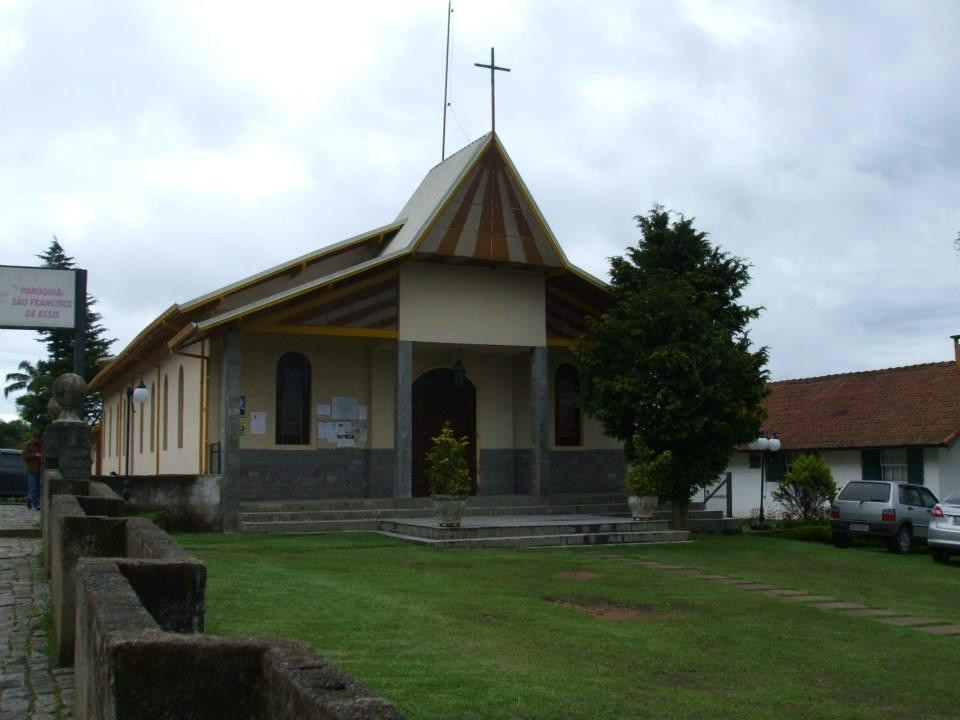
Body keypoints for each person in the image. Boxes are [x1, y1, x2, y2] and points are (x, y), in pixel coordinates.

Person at [22, 432, 43, 511]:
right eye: (37, 438)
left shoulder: (41, 444)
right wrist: (35, 455)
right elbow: (24, 455)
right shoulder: (28, 444)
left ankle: (29, 499)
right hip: (31, 468)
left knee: (37, 487)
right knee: (33, 487)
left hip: (39, 468)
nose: (38, 440)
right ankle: (35, 504)